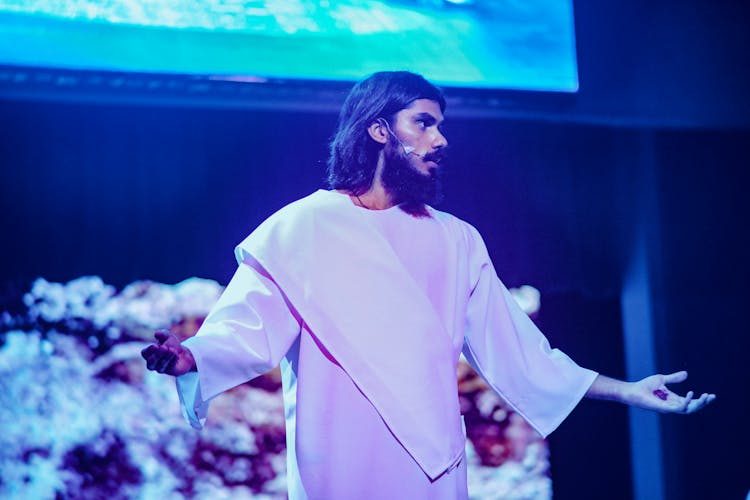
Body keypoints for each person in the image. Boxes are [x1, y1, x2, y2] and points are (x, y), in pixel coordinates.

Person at [141, 71, 715, 499]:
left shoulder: (457, 239)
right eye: (424, 122)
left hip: (434, 467)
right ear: (379, 129)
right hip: (340, 461)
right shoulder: (303, 227)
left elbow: (519, 351)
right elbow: (246, 326)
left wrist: (629, 391)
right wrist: (189, 356)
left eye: (440, 126)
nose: (440, 140)